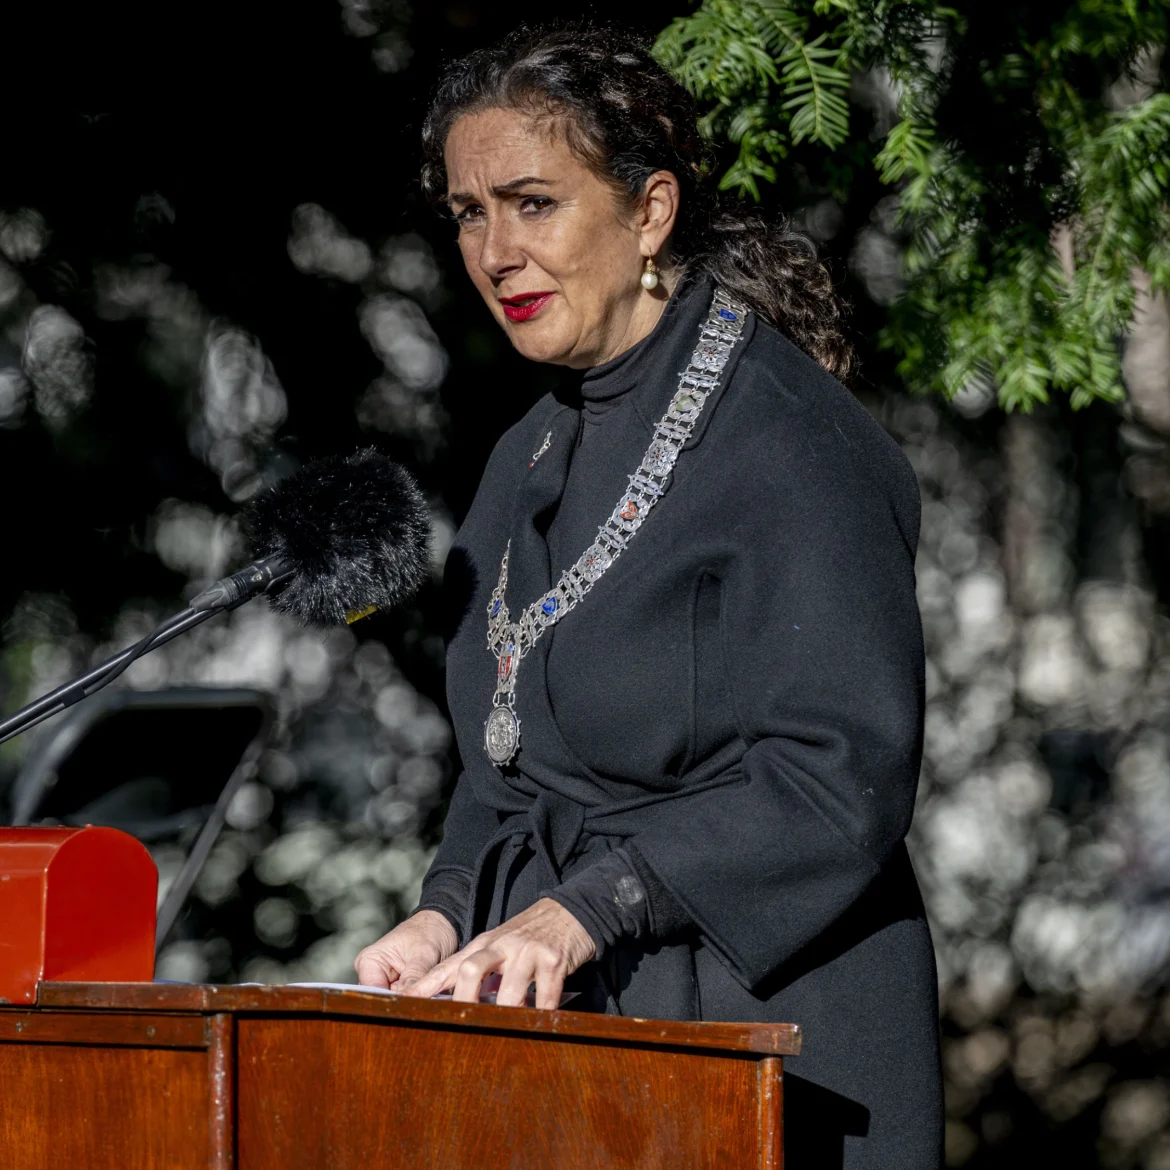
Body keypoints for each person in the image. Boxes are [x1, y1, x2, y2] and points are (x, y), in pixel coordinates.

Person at [356, 23, 942, 1167]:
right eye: (470, 214)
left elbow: (837, 774)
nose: (494, 253)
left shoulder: (791, 439)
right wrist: (446, 907)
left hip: (771, 1033)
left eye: (533, 203)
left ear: (652, 212)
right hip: (578, 1035)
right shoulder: (520, 456)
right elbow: (506, 763)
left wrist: (592, 906)